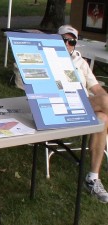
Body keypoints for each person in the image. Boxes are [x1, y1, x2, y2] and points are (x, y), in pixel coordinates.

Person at [58, 25, 108, 203]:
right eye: (64, 40)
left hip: (84, 106)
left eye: (71, 41)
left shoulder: (81, 63)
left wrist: (105, 98)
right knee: (104, 103)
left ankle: (92, 178)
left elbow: (96, 88)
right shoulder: (49, 60)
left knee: (103, 117)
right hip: (62, 105)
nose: (67, 44)